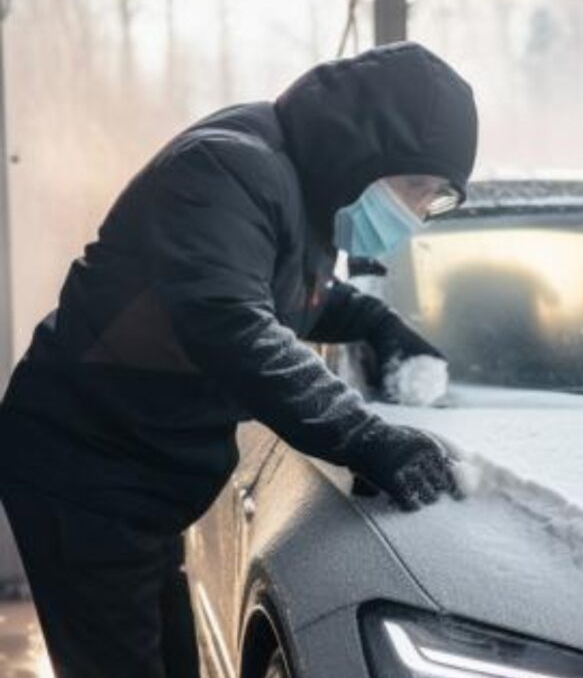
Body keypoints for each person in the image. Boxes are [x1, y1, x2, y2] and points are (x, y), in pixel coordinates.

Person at [0, 41, 476, 678]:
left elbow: (292, 291)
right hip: (85, 470)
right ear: (368, 147)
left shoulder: (300, 190)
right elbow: (230, 321)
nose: (413, 217)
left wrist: (377, 323)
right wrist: (366, 437)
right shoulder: (227, 168)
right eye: (416, 191)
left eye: (431, 205)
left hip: (139, 478)